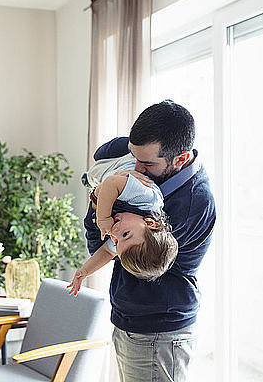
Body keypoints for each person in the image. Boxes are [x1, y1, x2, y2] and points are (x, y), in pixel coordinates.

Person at [87, 100, 216, 382]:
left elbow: (107, 248)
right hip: (133, 321)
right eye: (134, 156)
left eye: (146, 163)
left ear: (180, 159)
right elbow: (105, 240)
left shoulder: (190, 203)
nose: (136, 168)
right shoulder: (147, 183)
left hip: (159, 332)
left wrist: (101, 201)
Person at [66, 152, 178, 295]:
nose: (115, 233)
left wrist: (85, 271)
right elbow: (111, 183)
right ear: (150, 223)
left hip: (104, 183)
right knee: (96, 172)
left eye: (117, 242)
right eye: (125, 234)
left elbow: (107, 251)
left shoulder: (129, 242)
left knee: (97, 180)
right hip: (121, 163)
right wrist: (103, 219)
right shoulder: (148, 200)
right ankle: (88, 178)